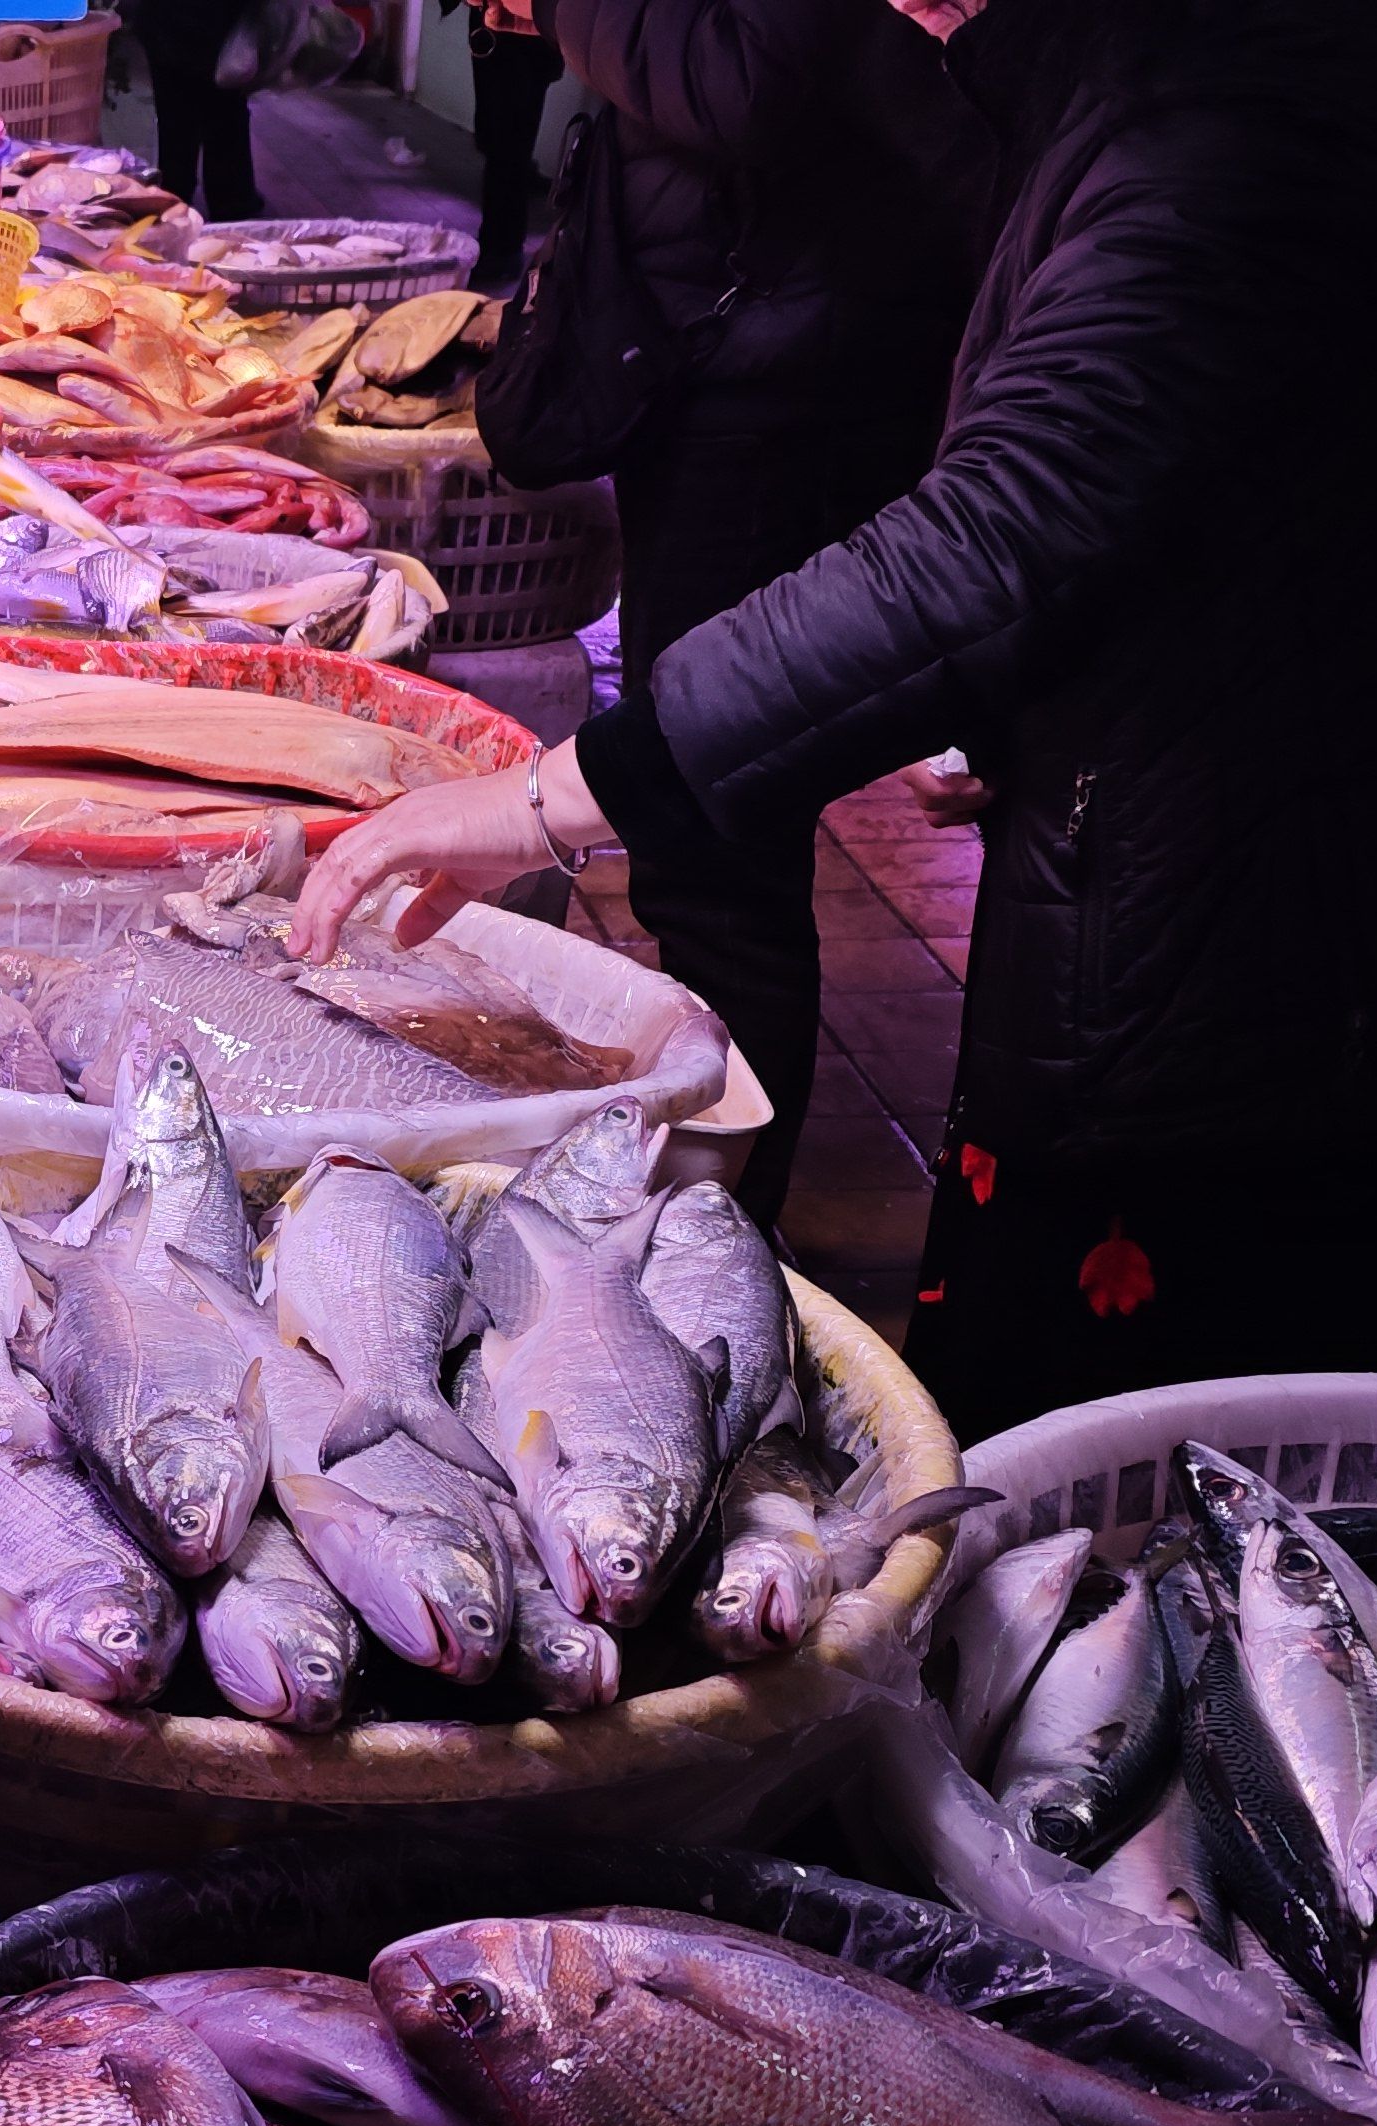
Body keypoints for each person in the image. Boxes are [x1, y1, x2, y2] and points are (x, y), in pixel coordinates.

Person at [289, 0, 1377, 1440]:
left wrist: (558, 796)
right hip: (1340, 860)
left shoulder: (1268, 92)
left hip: (1325, 955)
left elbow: (1012, 529)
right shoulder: (1227, 65)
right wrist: (1022, 704)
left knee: (1163, 1466)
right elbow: (1235, 471)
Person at [520, 0, 993, 1226]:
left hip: (790, 372)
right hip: (748, 345)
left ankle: (722, 1227)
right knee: (709, 826)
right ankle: (718, 1201)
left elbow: (746, 82)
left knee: (717, 843)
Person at [128, 0, 269, 220]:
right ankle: (231, 199)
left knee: (174, 111)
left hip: (165, 21)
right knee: (225, 110)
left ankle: (175, 195)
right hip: (220, 23)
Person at [460, 11, 564, 290]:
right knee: (497, 133)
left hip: (523, 30)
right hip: (500, 26)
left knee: (507, 138)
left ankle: (502, 250)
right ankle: (502, 245)